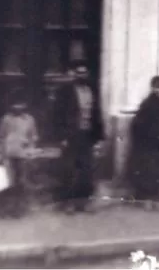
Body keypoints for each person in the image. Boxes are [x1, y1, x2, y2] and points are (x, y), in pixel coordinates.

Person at [54, 64, 104, 213]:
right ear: (74, 74)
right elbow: (57, 115)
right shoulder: (65, 92)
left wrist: (99, 137)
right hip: (71, 136)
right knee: (68, 169)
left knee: (86, 170)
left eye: (84, 72)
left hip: (87, 135)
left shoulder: (92, 90)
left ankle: (84, 202)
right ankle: (68, 202)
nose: (82, 75)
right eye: (79, 73)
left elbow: (97, 114)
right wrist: (62, 137)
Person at [127, 76, 159, 209]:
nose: (158, 89)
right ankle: (147, 200)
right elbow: (139, 125)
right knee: (149, 171)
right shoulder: (147, 104)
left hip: (158, 144)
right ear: (152, 87)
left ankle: (155, 199)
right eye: (156, 86)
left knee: (158, 171)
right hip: (149, 144)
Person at [0, 95, 40, 218]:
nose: (17, 107)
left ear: (25, 106)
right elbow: (1, 137)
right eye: (15, 105)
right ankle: (4, 209)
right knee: (6, 182)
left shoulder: (29, 120)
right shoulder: (6, 119)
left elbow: (33, 137)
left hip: (23, 154)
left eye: (20, 104)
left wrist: (31, 150)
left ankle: (18, 210)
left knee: (22, 182)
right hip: (8, 153)